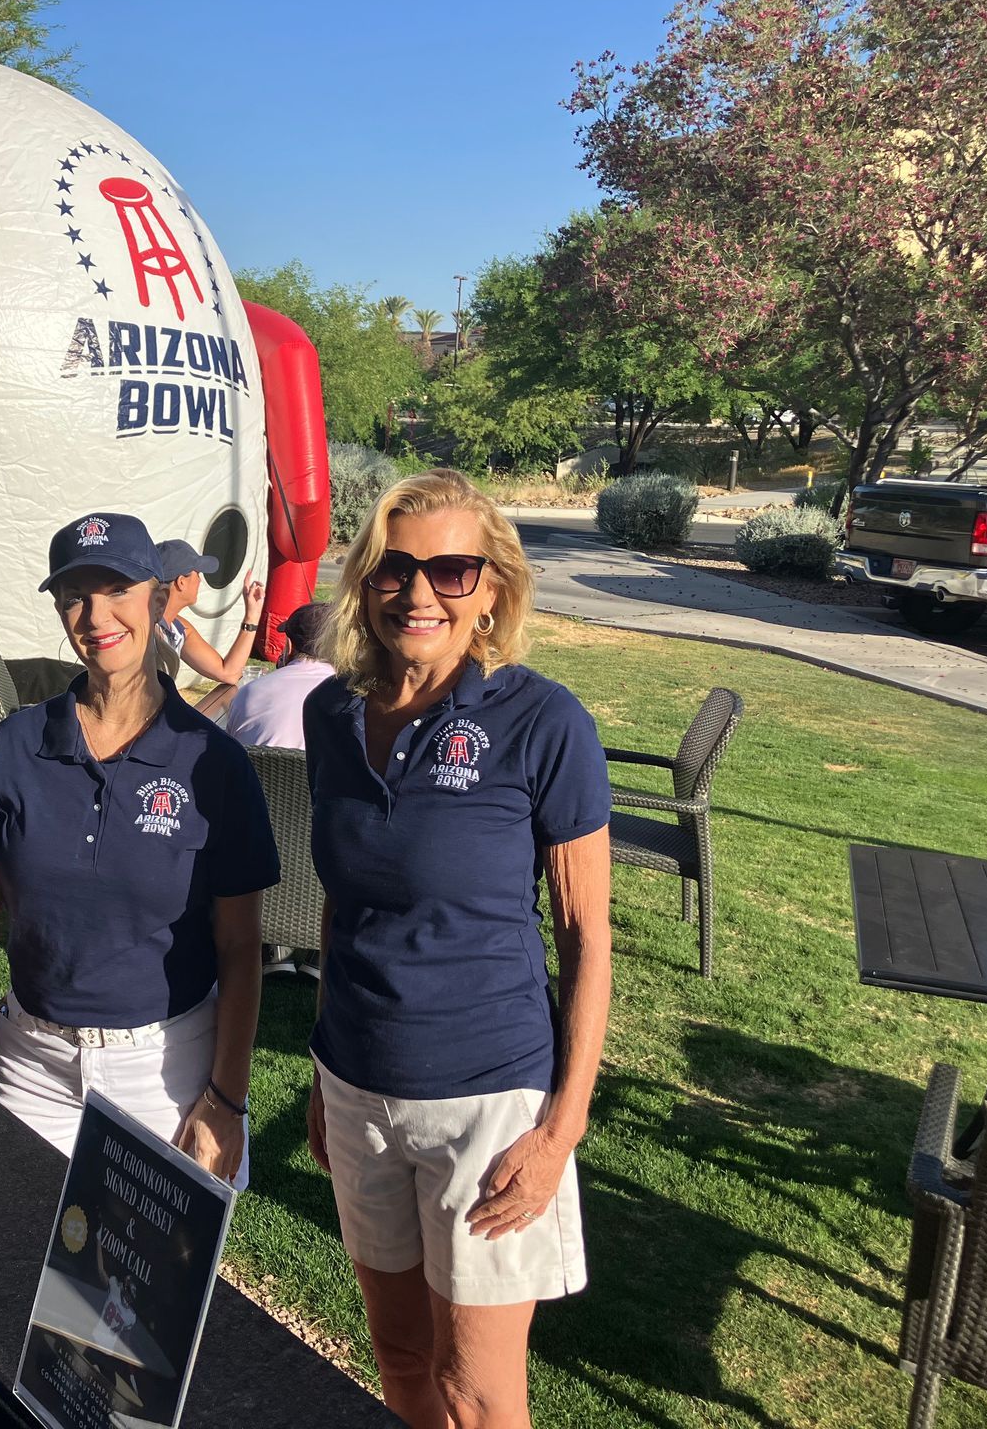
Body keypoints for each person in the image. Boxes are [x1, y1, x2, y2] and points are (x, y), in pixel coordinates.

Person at [302, 469, 612, 1429]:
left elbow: (586, 938)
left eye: (451, 569)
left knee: (476, 1393)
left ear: (493, 588)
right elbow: (340, 908)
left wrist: (560, 1131)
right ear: (365, 579)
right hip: (357, 1086)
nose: (420, 593)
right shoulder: (330, 716)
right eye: (396, 568)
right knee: (398, 1359)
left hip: (488, 1105)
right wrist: (320, 1078)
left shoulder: (542, 722)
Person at [0, 511, 279, 1187]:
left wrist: (226, 1100)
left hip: (163, 1069)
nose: (96, 614)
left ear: (156, 599)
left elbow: (241, 947)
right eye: (75, 595)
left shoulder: (213, 762)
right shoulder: (19, 743)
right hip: (32, 1061)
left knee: (142, 1288)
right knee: (6, 1263)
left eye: (117, 589)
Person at [155, 539, 265, 701]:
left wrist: (252, 615)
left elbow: (228, 673)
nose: (200, 580)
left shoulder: (178, 628)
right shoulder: (145, 630)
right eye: (197, 573)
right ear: (181, 582)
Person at [223, 601, 335, 750]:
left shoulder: (249, 692)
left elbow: (230, 752)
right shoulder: (355, 698)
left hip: (259, 772)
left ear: (288, 645)